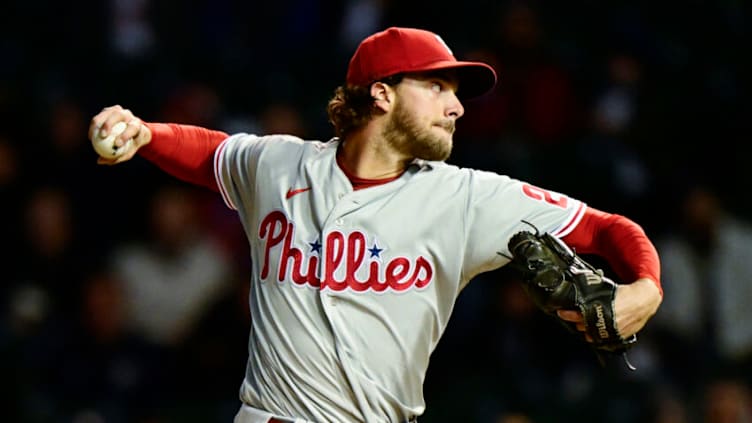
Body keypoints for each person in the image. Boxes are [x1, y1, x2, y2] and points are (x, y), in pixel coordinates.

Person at [88, 27, 662, 423]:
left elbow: (606, 227)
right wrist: (143, 133)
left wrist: (645, 288)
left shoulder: (466, 198)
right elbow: (209, 152)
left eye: (455, 93)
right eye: (437, 86)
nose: (456, 106)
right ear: (382, 94)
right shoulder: (281, 165)